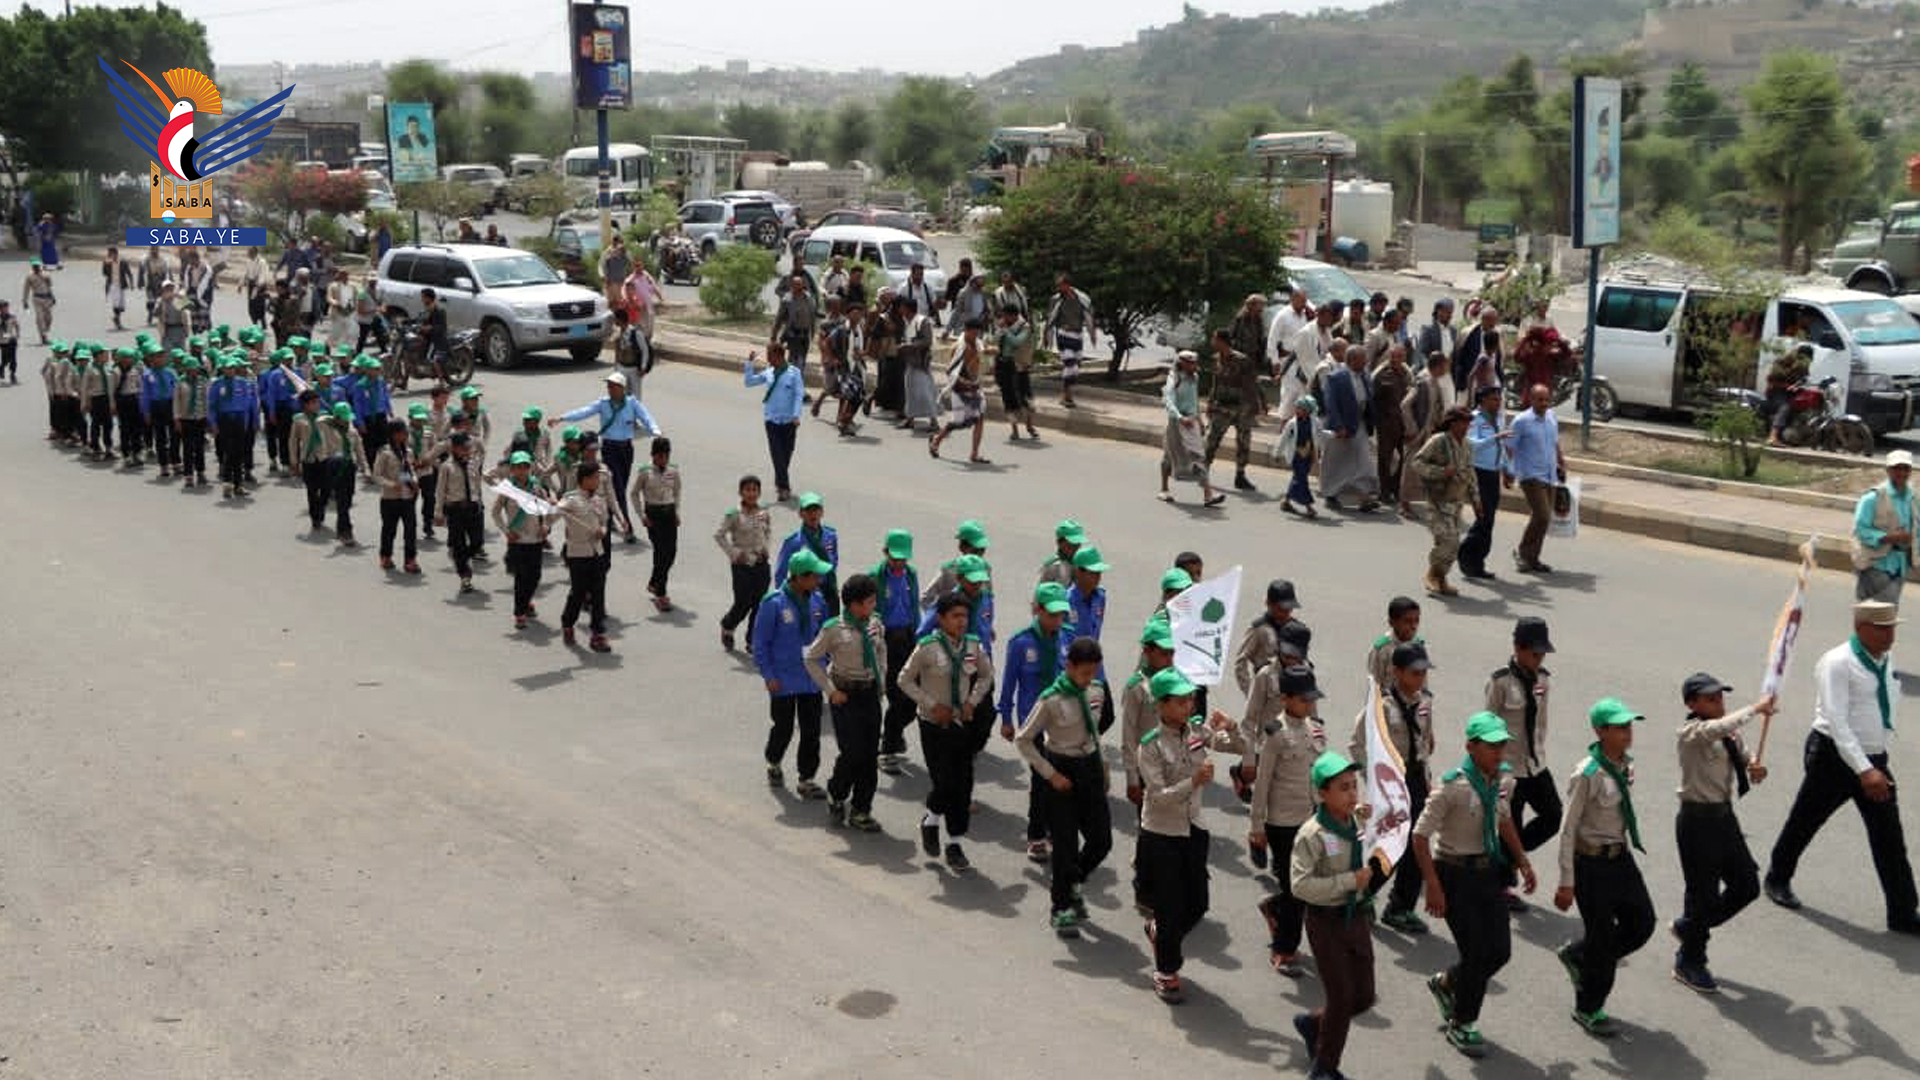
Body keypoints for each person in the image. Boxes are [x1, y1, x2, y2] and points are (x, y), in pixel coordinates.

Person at [1765, 600, 1920, 933]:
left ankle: (1904, 912)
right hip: (1834, 757)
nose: (1890, 635)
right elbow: (1837, 721)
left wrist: (1876, 757)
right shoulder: (1837, 662)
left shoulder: (1884, 659)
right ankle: (1778, 877)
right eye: (1882, 628)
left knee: (1889, 837)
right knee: (1806, 820)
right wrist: (1865, 771)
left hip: (1872, 759)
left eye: (1892, 627)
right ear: (1861, 627)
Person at [1413, 713, 1535, 1058]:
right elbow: (1420, 837)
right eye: (1491, 745)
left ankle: (1448, 982)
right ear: (1470, 746)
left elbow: (1504, 818)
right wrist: (1433, 885)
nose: (1499, 751)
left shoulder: (1500, 782)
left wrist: (1523, 860)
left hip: (1487, 872)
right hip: (1453, 874)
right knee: (1477, 953)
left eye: (1502, 745)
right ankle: (1463, 1023)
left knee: (1500, 951)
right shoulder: (1451, 786)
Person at [1137, 667, 1246, 1002]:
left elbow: (1240, 747)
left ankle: (1161, 934)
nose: (1188, 704)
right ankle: (1166, 970)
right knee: (1170, 905)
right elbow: (1157, 795)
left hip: (1193, 828)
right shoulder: (1151, 746)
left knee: (1198, 902)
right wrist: (1194, 782)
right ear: (1162, 705)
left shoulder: (1197, 731)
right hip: (1161, 833)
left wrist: (1231, 727)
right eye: (1181, 700)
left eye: (1190, 698)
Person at [1551, 698, 1657, 1037]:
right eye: (1620, 727)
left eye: (1629, 726)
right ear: (1600, 731)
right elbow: (1568, 827)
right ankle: (1588, 1007)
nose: (1628, 733)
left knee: (1642, 923)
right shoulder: (1588, 773)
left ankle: (1581, 956)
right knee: (1602, 938)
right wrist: (1566, 881)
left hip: (1620, 858)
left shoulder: (1624, 765)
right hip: (1591, 865)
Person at [1672, 674, 1773, 993]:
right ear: (1692, 703)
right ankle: (1690, 960)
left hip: (1724, 819)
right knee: (1702, 894)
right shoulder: (1691, 732)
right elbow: (1715, 729)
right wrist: (1755, 709)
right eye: (1711, 699)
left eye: (1720, 697)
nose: (1718, 703)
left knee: (1747, 885)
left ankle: (1691, 927)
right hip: (1697, 822)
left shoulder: (1730, 733)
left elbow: (1744, 759)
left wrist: (1755, 767)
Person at [1290, 751, 1379, 1080]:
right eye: (1343, 788)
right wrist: (1348, 882)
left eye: (1354, 786)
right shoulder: (1311, 834)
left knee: (1364, 996)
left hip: (1354, 916)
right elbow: (1300, 885)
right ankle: (1324, 1068)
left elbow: (1363, 840)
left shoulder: (1353, 819)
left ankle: (1313, 1023)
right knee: (1341, 998)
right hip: (1325, 921)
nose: (1352, 794)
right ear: (1322, 794)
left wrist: (1368, 819)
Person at [1016, 636, 1111, 937]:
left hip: (1090, 769)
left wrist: (1103, 767)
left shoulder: (1096, 690)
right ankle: (1062, 908)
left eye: (1093, 672)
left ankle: (1072, 884)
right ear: (1069, 666)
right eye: (1083, 673)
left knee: (1101, 840)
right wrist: (1049, 773)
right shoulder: (1051, 700)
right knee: (1065, 846)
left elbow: (1097, 729)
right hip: (1061, 773)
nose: (1088, 679)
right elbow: (1024, 739)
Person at [900, 592, 996, 872]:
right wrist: (931, 705)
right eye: (955, 616)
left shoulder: (974, 646)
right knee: (944, 781)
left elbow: (987, 676)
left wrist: (971, 702)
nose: (961, 622)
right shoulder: (927, 648)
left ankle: (955, 843)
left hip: (960, 723)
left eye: (965, 616)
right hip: (933, 724)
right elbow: (904, 680)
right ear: (941, 619)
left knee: (963, 784)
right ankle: (930, 820)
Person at [1247, 663, 1329, 976]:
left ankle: (1275, 908)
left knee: (1305, 887)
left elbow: (1321, 773)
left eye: (1311, 700)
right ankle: (1284, 949)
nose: (1309, 705)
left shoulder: (1315, 729)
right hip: (1281, 823)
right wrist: (1256, 826)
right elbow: (1264, 781)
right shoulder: (1275, 734)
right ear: (1285, 699)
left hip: (1310, 819)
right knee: (1298, 889)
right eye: (1303, 700)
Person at [1356, 643, 1437, 935]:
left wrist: (1427, 776)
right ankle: (1363, 891)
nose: (1420, 679)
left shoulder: (1425, 700)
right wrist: (1373, 780)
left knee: (1418, 841)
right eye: (1415, 673)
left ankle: (1400, 907)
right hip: (1391, 785)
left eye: (1424, 673)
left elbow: (1426, 738)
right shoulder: (1381, 706)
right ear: (1396, 672)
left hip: (1416, 781)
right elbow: (1357, 744)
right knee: (1391, 845)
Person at [1001, 582, 1078, 863]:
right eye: (1052, 615)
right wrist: (1006, 719)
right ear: (1038, 610)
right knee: (1042, 779)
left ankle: (1055, 829)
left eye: (1061, 615)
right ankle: (1036, 835)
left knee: (1063, 779)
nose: (1057, 621)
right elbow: (1009, 684)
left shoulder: (1068, 638)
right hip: (1033, 723)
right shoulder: (1021, 642)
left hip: (1064, 723)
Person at [806, 573, 889, 831]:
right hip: (845, 696)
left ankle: (861, 809)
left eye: (874, 601)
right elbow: (811, 659)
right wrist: (831, 691)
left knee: (869, 755)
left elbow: (880, 651)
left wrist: (881, 679)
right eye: (867, 602)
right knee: (853, 752)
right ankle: (837, 793)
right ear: (852, 604)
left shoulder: (876, 624)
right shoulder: (834, 629)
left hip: (869, 694)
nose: (872, 606)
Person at [1486, 616, 1559, 909]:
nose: (1538, 660)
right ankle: (1502, 887)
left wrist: (1539, 749)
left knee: (1553, 815)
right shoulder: (1500, 681)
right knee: (1509, 825)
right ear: (1517, 648)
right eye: (1534, 653)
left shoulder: (1543, 679)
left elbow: (1541, 721)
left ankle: (1514, 857)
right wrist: (1491, 766)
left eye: (1542, 654)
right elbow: (1488, 722)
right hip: (1508, 767)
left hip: (1535, 764)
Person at [555, 372, 662, 542]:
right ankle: (628, 528)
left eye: (613, 386)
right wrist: (562, 418)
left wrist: (656, 431)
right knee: (618, 489)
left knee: (619, 488)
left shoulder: (632, 403)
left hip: (626, 450)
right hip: (610, 449)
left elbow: (646, 417)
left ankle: (609, 518)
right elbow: (584, 411)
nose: (609, 389)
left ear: (622, 388)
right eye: (608, 386)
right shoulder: (603, 404)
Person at [871, 529, 923, 776]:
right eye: (895, 558)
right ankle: (887, 750)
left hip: (909, 638)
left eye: (903, 558)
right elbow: (867, 612)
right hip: (886, 641)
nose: (899, 562)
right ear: (885, 552)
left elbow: (914, 608)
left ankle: (893, 731)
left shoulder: (911, 575)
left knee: (913, 698)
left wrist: (919, 635)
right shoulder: (875, 578)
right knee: (896, 695)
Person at [1414, 404, 1477, 596]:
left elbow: (1470, 473)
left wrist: (1476, 500)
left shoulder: (1467, 445)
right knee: (1448, 542)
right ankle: (1433, 575)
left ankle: (1440, 579)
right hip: (1437, 501)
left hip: (1456, 503)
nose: (1465, 427)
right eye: (1462, 423)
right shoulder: (1438, 441)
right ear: (1452, 423)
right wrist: (1441, 472)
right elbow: (1417, 463)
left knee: (1450, 544)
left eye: (1468, 423)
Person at [1505, 382, 1566, 574]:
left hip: (1549, 473)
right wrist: (1507, 472)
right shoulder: (1521, 421)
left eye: (1547, 399)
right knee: (1542, 514)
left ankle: (1533, 558)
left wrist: (1561, 463)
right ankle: (1523, 552)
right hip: (1529, 475)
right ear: (1531, 399)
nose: (1544, 403)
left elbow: (1555, 443)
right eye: (1540, 399)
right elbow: (1509, 447)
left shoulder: (1551, 418)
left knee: (1544, 519)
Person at [555, 463, 614, 653]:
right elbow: (557, 511)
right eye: (595, 478)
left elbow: (604, 521)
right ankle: (568, 623)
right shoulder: (571, 499)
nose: (598, 481)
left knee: (598, 594)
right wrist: (553, 507)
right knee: (578, 593)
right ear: (585, 479)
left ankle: (598, 634)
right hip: (578, 554)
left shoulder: (598, 500)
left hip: (597, 552)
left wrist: (603, 531)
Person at [1159, 350, 1226, 507]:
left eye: (1195, 362)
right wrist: (1180, 418)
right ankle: (1164, 489)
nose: (1194, 366)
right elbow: (1168, 400)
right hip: (1177, 422)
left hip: (1191, 422)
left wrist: (1200, 421)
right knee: (1169, 455)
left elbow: (1193, 401)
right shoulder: (1174, 379)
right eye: (1191, 363)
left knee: (1198, 456)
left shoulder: (1194, 378)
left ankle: (1208, 494)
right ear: (1182, 363)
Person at [715, 475, 773, 652]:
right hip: (742, 565)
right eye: (747, 489)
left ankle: (752, 640)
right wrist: (734, 554)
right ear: (741, 492)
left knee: (759, 603)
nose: (751, 493)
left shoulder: (764, 512)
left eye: (755, 489)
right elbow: (719, 535)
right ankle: (728, 625)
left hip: (761, 564)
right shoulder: (734, 514)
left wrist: (766, 549)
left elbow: (768, 532)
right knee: (743, 602)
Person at [1850, 450, 1917, 604]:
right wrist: (1892, 537)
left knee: (1884, 618)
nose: (1901, 472)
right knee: (1876, 617)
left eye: (1905, 468)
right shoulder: (1872, 498)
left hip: (1899, 565)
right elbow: (1861, 530)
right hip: (1875, 563)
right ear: (1888, 470)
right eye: (1896, 468)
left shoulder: (1913, 498)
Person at [1320, 345, 1381, 512]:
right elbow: (1331, 404)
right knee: (1335, 462)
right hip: (1341, 427)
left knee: (1364, 460)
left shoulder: (1365, 376)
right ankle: (1330, 494)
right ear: (1352, 360)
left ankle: (1364, 496)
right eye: (1362, 359)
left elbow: (1369, 400)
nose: (1365, 362)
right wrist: (1338, 426)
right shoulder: (1335, 377)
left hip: (1359, 424)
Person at [493, 450, 550, 626]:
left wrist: (546, 526)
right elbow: (495, 513)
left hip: (535, 538)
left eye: (525, 466)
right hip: (517, 539)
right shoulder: (507, 490)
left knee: (535, 576)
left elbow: (546, 510)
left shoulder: (536, 487)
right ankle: (520, 613)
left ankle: (526, 601)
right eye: (518, 467)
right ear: (512, 469)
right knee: (521, 576)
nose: (522, 470)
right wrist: (506, 531)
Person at [1457, 385, 1508, 579]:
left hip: (1493, 473)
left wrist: (1507, 468)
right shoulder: (1474, 419)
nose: (1498, 402)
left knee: (1489, 519)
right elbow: (1471, 445)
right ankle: (1467, 555)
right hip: (1478, 472)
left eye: (1499, 398)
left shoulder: (1499, 418)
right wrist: (1495, 437)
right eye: (1494, 399)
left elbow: (1501, 447)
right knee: (1484, 517)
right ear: (1483, 400)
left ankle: (1476, 562)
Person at [742, 346, 804, 502]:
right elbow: (749, 382)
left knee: (786, 455)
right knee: (777, 454)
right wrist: (750, 364)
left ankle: (779, 480)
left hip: (789, 421)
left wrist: (796, 415)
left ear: (779, 355)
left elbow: (799, 395)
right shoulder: (768, 372)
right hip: (772, 421)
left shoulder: (794, 373)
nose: (768, 359)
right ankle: (784, 488)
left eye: (770, 355)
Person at [1204, 328, 1263, 492]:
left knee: (1243, 443)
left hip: (1241, 407)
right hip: (1222, 406)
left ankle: (1240, 475)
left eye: (1214, 339)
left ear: (1222, 341)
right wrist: (1210, 403)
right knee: (1211, 440)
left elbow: (1252, 384)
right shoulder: (1216, 359)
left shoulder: (1242, 360)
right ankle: (1203, 471)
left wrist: (1255, 407)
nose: (1212, 342)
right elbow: (1214, 383)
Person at [774, 490, 842, 617]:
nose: (813, 514)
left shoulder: (830, 535)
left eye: (816, 510)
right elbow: (781, 571)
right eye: (808, 510)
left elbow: (834, 559)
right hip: (809, 591)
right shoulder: (794, 541)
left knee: (833, 627)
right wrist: (783, 598)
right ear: (800, 513)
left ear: (822, 512)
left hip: (829, 588)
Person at [435, 432, 488, 594]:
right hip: (456, 509)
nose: (467, 450)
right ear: (454, 448)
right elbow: (440, 490)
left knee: (477, 542)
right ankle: (465, 577)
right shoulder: (446, 467)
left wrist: (480, 502)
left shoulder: (474, 463)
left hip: (474, 508)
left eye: (468, 447)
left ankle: (463, 558)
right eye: (463, 448)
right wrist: (438, 512)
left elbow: (477, 484)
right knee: (458, 545)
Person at [929, 324, 990, 464]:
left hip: (975, 387)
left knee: (980, 417)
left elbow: (983, 358)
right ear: (966, 331)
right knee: (958, 422)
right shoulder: (959, 348)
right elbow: (951, 371)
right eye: (973, 333)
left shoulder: (978, 344)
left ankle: (974, 454)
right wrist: (966, 383)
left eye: (977, 333)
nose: (975, 336)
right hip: (960, 389)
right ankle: (936, 441)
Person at [633, 436, 681, 611]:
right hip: (653, 515)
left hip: (669, 514)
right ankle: (661, 593)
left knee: (671, 553)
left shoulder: (673, 471)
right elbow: (634, 493)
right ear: (653, 455)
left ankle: (654, 582)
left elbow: (676, 492)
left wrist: (677, 512)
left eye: (666, 455)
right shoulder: (645, 472)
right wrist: (641, 516)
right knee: (661, 552)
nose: (663, 459)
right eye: (659, 456)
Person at [374, 422, 425, 575]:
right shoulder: (384, 452)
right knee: (389, 529)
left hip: (408, 497)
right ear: (394, 434)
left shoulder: (407, 452)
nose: (406, 435)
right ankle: (386, 556)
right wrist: (391, 484)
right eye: (403, 432)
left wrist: (414, 482)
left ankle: (410, 560)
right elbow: (377, 475)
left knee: (410, 530)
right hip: (390, 498)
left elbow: (409, 471)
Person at [1043, 275, 1096, 407]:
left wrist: (1092, 333)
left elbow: (1089, 316)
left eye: (1060, 285)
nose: (1058, 288)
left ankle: (1066, 395)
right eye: (1057, 286)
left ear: (1067, 285)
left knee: (1076, 368)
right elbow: (1050, 319)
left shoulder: (1082, 298)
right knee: (1070, 365)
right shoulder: (1055, 300)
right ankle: (1067, 396)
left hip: (1077, 336)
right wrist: (1045, 336)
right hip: (1063, 335)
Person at [992, 304, 1038, 441]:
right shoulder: (1002, 326)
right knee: (1008, 399)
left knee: (1026, 398)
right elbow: (994, 341)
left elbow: (1016, 342)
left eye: (1006, 315)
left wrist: (1005, 330)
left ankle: (1029, 425)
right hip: (1003, 365)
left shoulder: (1025, 327)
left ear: (1013, 315)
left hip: (1019, 366)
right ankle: (1014, 430)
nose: (1004, 318)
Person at [896, 298, 938, 433]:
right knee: (910, 391)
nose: (900, 310)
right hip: (910, 361)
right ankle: (910, 419)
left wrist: (909, 345)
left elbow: (927, 341)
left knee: (925, 392)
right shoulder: (907, 322)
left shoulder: (922, 321)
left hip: (920, 362)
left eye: (902, 307)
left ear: (907, 308)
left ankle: (934, 421)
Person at [172, 355, 210, 486]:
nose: (194, 371)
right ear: (186, 369)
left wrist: (208, 418)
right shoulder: (180, 382)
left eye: (195, 369)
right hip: (186, 419)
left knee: (199, 447)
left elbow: (206, 400)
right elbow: (176, 401)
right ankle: (188, 475)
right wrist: (176, 419)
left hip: (200, 417)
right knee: (187, 447)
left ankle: (200, 472)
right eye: (191, 369)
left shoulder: (203, 381)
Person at [139, 346, 177, 477]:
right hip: (156, 406)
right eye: (156, 356)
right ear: (150, 359)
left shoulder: (170, 372)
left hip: (170, 405)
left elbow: (177, 390)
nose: (159, 359)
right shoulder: (147, 374)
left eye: (161, 356)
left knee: (175, 436)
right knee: (160, 437)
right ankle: (164, 465)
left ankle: (176, 462)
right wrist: (146, 412)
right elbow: (145, 395)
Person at [772, 271, 819, 370]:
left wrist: (813, 332)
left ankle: (797, 378)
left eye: (800, 284)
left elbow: (812, 316)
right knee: (793, 358)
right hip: (792, 333)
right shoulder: (787, 299)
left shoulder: (809, 299)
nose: (798, 287)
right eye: (795, 284)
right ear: (792, 285)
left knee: (802, 359)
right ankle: (790, 378)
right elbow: (779, 317)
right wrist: (774, 334)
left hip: (805, 333)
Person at [1453, 304, 1502, 394]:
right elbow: (1459, 359)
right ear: (1483, 319)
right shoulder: (1468, 334)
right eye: (1491, 320)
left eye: (1495, 321)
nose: (1493, 324)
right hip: (1470, 383)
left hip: (1490, 383)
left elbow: (1498, 361)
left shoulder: (1496, 334)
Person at [22, 258, 55, 345]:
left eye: (37, 266)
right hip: (37, 298)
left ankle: (45, 330)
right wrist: (25, 301)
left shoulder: (46, 274)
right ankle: (43, 336)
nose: (36, 268)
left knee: (49, 318)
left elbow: (50, 286)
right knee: (39, 318)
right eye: (34, 266)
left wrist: (53, 297)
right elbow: (26, 289)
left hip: (47, 298)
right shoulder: (29, 276)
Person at [102, 246, 131, 330]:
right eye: (109, 254)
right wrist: (106, 265)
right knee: (116, 303)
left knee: (121, 305)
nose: (110, 256)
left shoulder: (122, 261)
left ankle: (116, 318)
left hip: (121, 285)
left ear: (116, 254)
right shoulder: (107, 262)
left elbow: (128, 272)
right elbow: (104, 273)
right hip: (113, 285)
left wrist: (131, 282)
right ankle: (117, 320)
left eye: (112, 254)